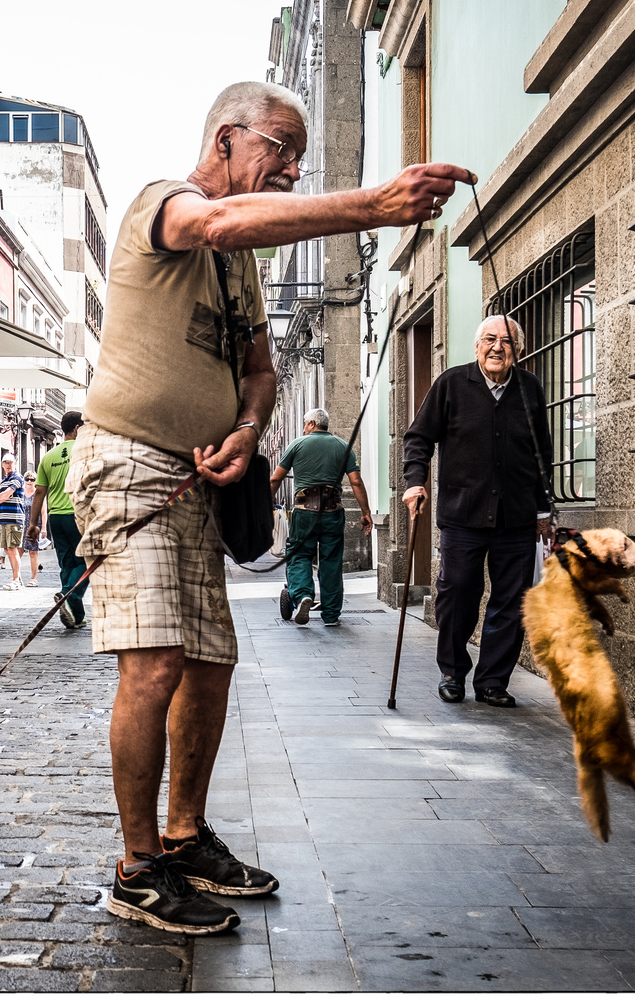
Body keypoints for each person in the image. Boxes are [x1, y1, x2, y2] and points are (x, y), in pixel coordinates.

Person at [64, 78, 474, 935]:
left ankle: (182, 841)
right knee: (153, 664)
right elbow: (214, 222)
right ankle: (136, 869)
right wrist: (375, 206)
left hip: (201, 477)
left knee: (210, 663)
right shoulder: (164, 205)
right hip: (127, 463)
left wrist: (250, 429)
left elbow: (259, 370)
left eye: (297, 155)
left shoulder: (241, 266)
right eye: (277, 150)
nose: (290, 168)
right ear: (225, 141)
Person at [402, 314, 554, 709]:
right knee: (457, 596)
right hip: (462, 516)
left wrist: (544, 509)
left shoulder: (531, 390)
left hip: (517, 518)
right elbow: (418, 438)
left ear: (518, 351)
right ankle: (452, 672)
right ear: (477, 346)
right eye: (489, 339)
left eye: (506, 341)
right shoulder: (451, 384)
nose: (497, 347)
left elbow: (543, 455)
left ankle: (492, 682)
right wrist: (415, 481)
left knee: (511, 601)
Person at [269, 408, 373, 626]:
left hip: (304, 512)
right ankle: (331, 615)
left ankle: (303, 595)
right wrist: (365, 512)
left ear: (313, 424)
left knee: (298, 555)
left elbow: (275, 479)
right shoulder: (343, 446)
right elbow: (356, 482)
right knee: (331, 561)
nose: (304, 427)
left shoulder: (297, 445)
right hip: (332, 511)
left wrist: (265, 507)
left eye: (306, 423)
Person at [28, 410, 88, 629]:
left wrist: (33, 524)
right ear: (77, 429)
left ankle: (76, 616)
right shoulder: (85, 452)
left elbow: (39, 493)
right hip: (79, 515)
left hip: (56, 518)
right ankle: (67, 595)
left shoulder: (48, 457)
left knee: (67, 564)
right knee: (86, 561)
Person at [0, 454, 26, 590]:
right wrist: (0, 497)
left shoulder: (17, 478)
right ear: (2, 464)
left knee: (13, 548)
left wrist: (1, 497)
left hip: (15, 518)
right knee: (7, 549)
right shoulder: (4, 480)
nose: (8, 465)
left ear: (15, 463)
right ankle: (19, 580)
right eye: (5, 462)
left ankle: (16, 580)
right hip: (4, 518)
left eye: (10, 462)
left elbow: (5, 494)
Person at [20, 472, 44, 586]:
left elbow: (43, 512)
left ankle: (34, 578)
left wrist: (44, 528)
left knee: (33, 552)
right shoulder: (20, 493)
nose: (29, 481)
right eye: (27, 479)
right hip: (20, 525)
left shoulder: (38, 494)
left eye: (32, 479)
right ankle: (16, 577)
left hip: (34, 526)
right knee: (18, 551)